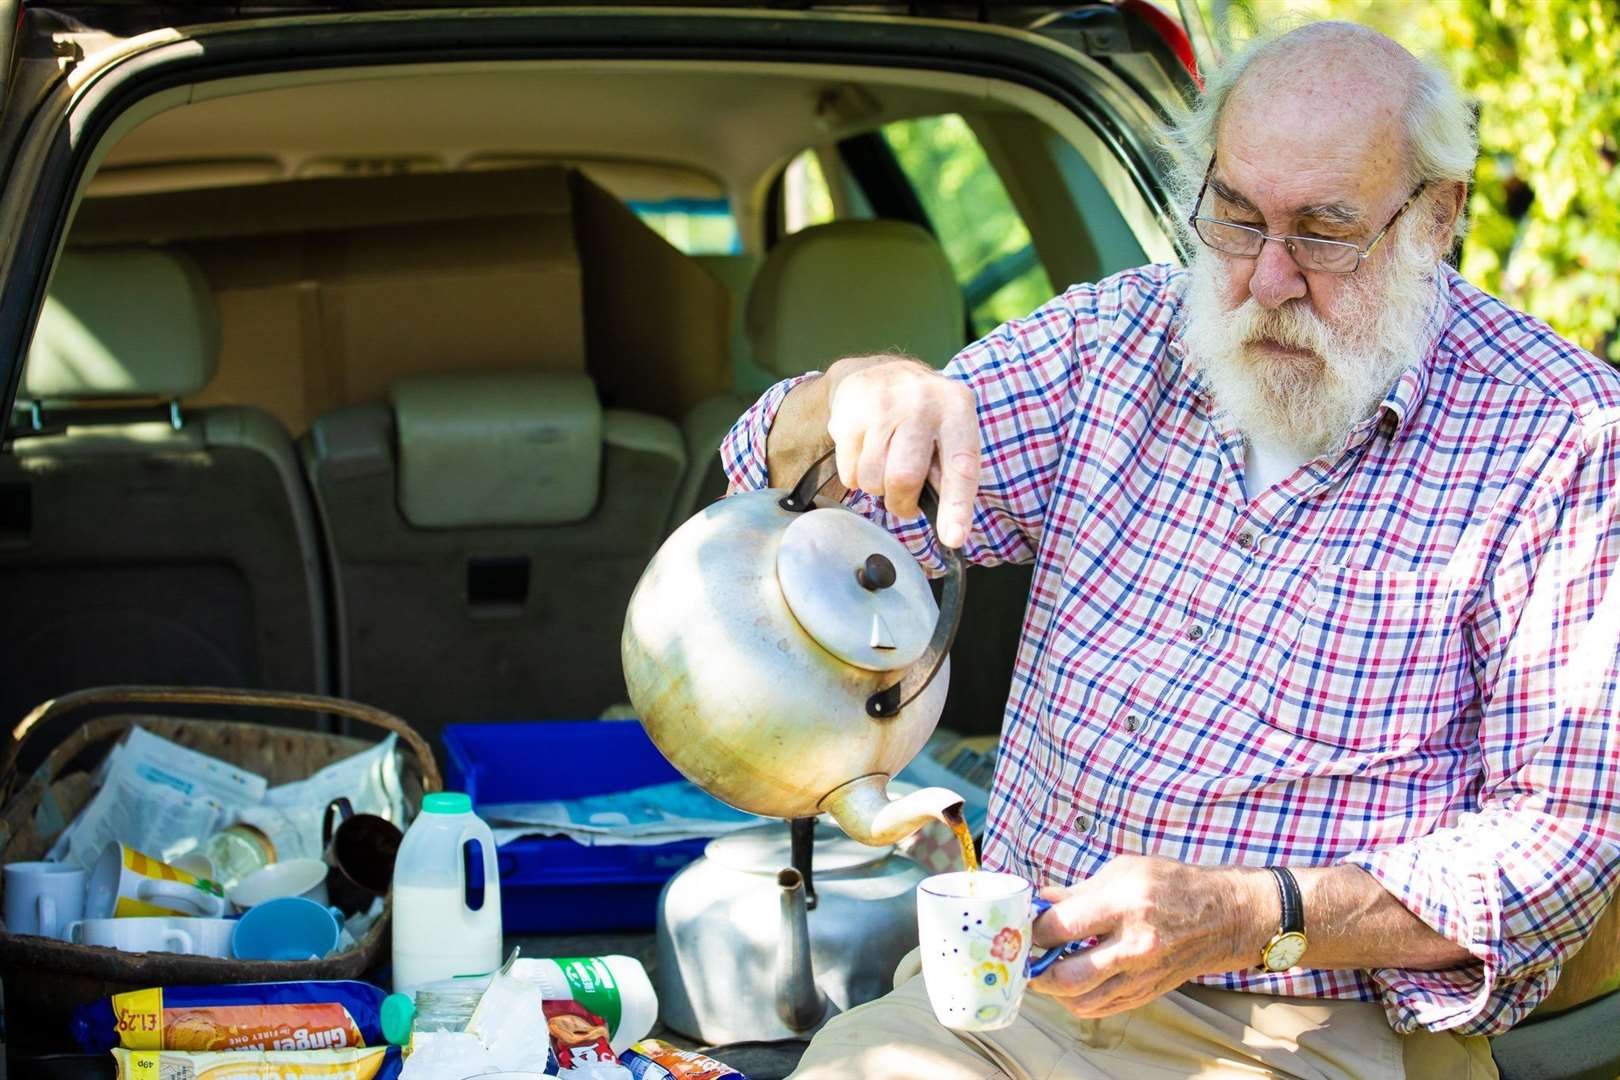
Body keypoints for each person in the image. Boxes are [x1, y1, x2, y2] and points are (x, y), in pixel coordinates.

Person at [719, 20, 1620, 1080]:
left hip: (1305, 1035)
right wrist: (847, 400)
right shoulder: (1115, 343)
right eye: (1236, 219)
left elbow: (1560, 846)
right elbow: (771, 522)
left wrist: (1251, 913)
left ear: (1434, 216)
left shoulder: (1564, 439)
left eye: (1324, 234)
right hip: (1002, 994)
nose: (1269, 279)